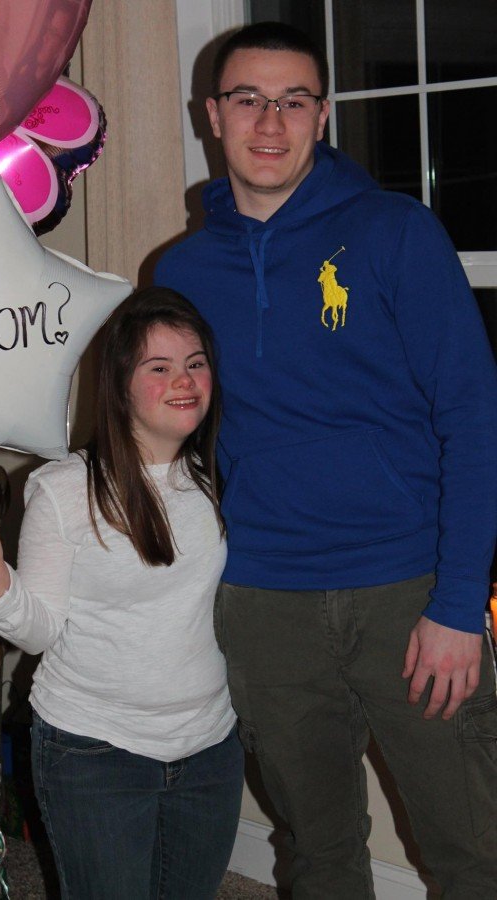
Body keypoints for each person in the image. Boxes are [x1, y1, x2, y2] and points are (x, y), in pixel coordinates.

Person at [154, 21, 497, 899]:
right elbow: (163, 435)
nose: (270, 122)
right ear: (212, 115)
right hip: (264, 603)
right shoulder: (182, 272)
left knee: (475, 852)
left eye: (293, 101)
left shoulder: (395, 232)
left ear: (323, 114)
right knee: (318, 854)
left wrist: (460, 602)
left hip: (408, 595)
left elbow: (471, 415)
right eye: (248, 100)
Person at [0, 288, 243, 900]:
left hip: (210, 745)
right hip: (95, 752)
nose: (184, 380)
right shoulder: (64, 489)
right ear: (120, 385)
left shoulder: (213, 474)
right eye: (159, 367)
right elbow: (39, 631)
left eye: (195, 363)